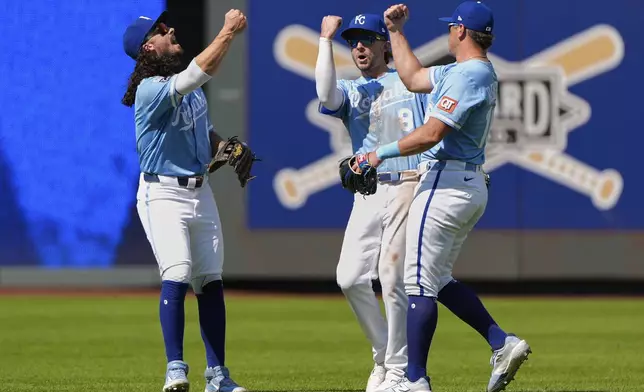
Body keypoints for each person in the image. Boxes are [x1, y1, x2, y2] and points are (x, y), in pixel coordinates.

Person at [352, 2, 531, 392]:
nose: (449, 32)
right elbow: (413, 77)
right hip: (464, 184)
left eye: (452, 27)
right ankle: (502, 342)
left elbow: (432, 134)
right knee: (435, 278)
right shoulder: (463, 71)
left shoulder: (470, 75)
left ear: (462, 31)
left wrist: (375, 153)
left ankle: (414, 379)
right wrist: (395, 31)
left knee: (415, 282)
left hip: (446, 182)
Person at [121, 9, 251, 392]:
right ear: (149, 46)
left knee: (210, 281)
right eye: (161, 30)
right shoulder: (149, 88)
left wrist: (226, 148)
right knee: (177, 274)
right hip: (162, 193)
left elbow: (204, 131)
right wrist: (227, 31)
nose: (171, 28)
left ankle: (218, 377)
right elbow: (198, 71)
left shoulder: (184, 89)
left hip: (199, 191)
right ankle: (175, 369)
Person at [315, 13, 429, 392]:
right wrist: (325, 40)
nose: (359, 47)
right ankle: (384, 353)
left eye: (367, 39)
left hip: (407, 184)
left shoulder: (409, 81)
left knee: (394, 278)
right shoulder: (351, 90)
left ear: (385, 44)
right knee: (348, 277)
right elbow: (325, 96)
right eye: (354, 42)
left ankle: (397, 370)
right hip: (368, 190)